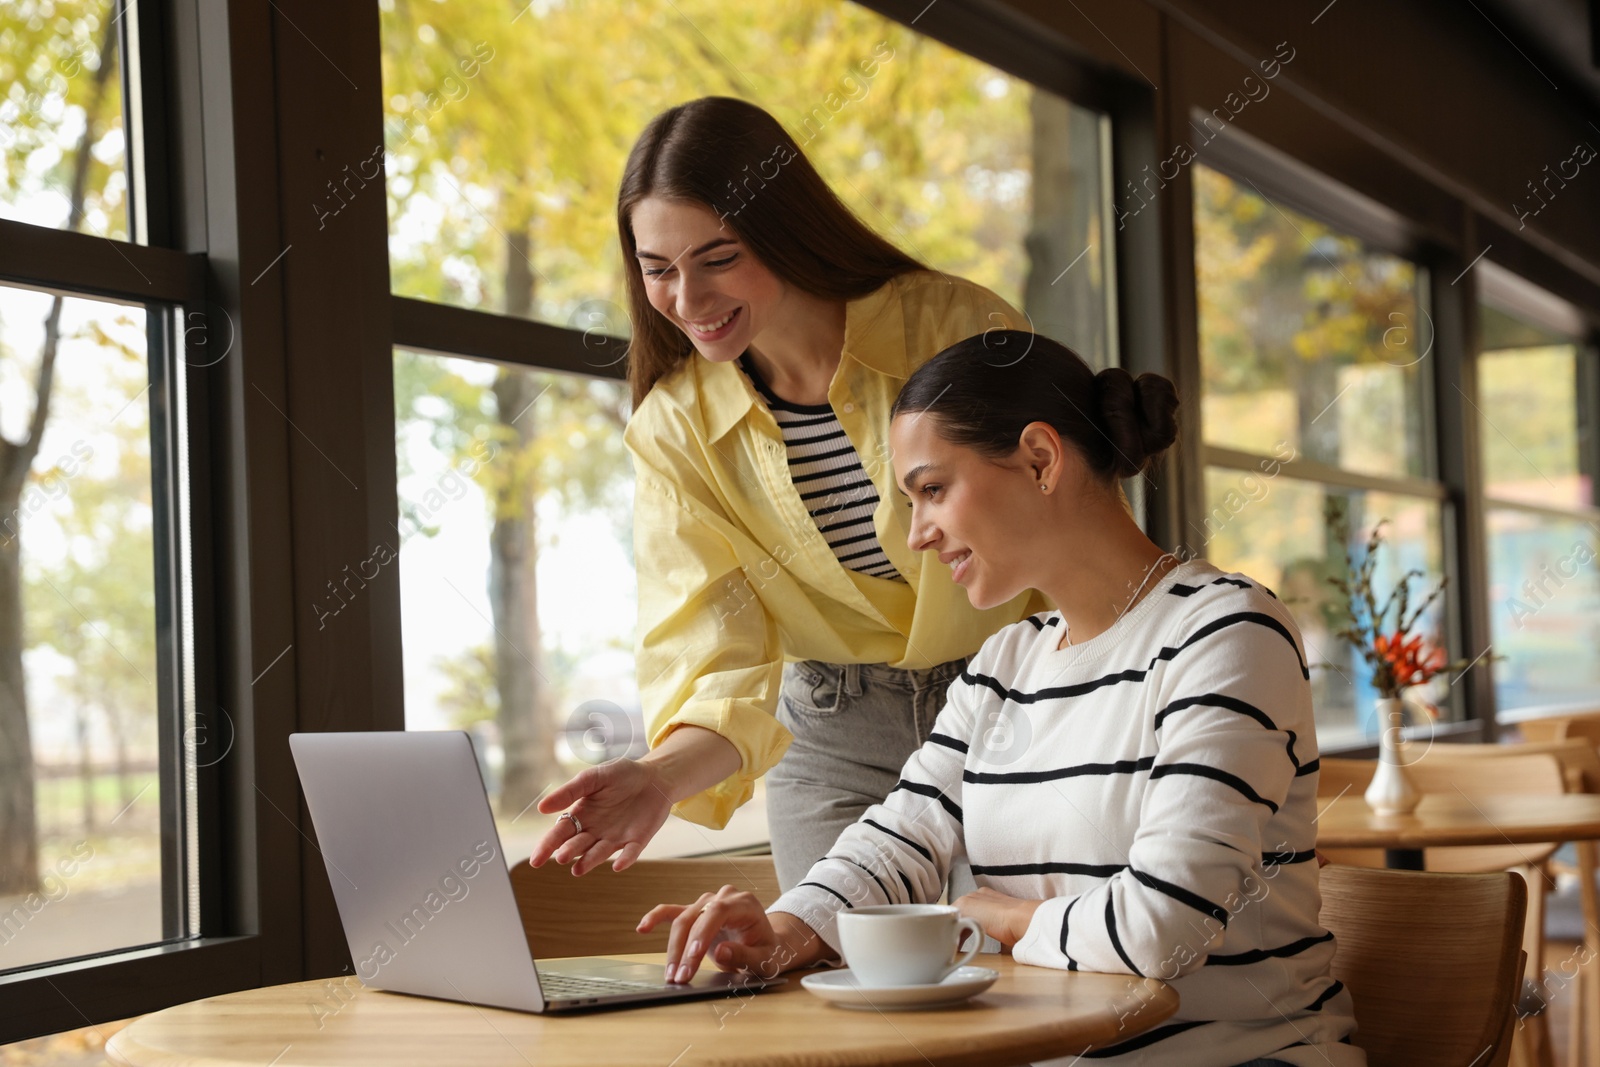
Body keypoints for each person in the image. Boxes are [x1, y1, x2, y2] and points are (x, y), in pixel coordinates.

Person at [636, 331, 1363, 1067]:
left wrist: (1011, 921)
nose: (916, 534)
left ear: (1040, 459)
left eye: (932, 489)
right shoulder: (1007, 661)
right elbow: (901, 837)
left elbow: (1160, 929)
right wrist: (786, 927)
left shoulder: (1224, 633)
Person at [529, 96, 1049, 891]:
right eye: (658, 269)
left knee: (1025, 975)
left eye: (718, 257)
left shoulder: (954, 326)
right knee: (841, 987)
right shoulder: (676, 427)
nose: (688, 301)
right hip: (833, 734)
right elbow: (718, 662)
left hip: (1018, 700)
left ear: (785, 228)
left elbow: (1068, 527)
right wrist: (661, 776)